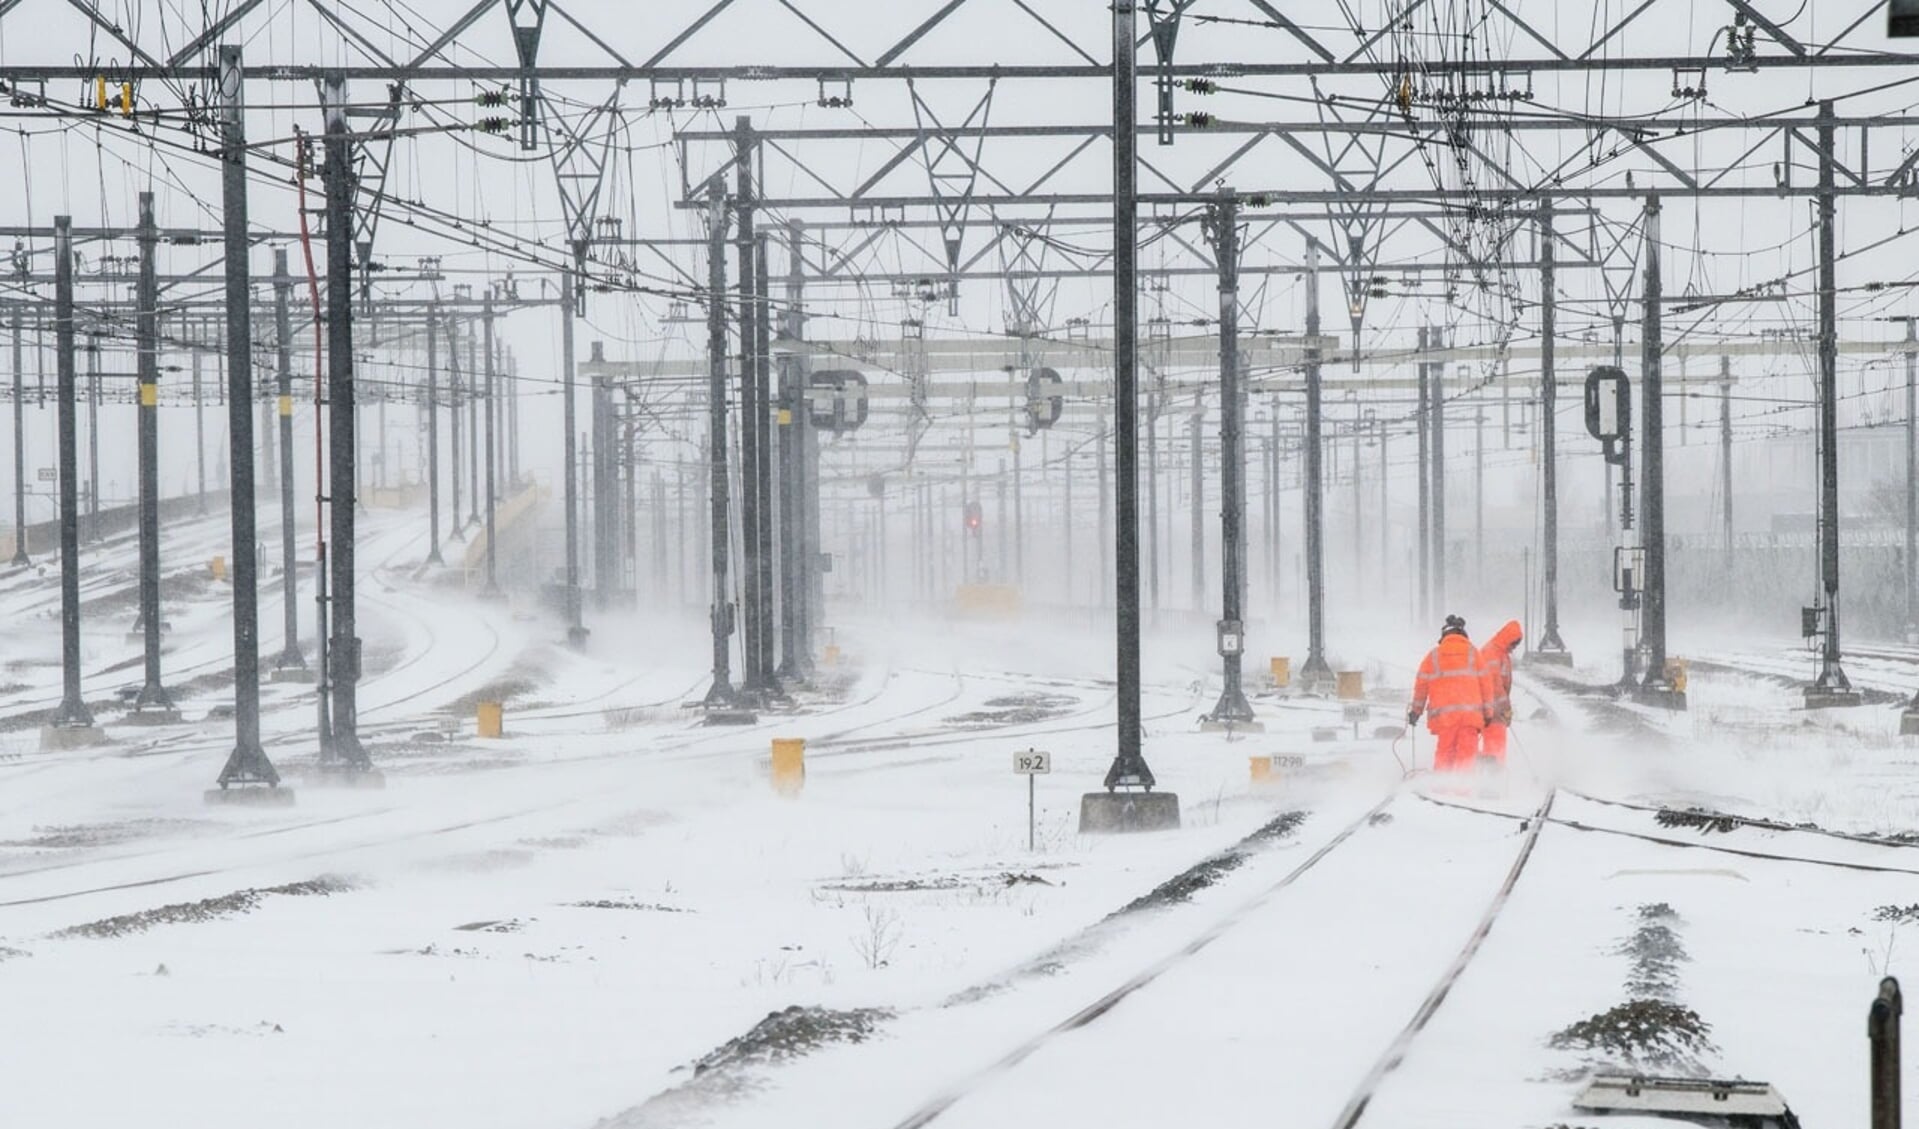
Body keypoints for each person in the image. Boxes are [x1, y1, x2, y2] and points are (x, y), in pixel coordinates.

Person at [1406, 615, 1495, 773]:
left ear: (1444, 635)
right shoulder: (1474, 654)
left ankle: (1441, 786)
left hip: (1445, 718)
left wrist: (1416, 711)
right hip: (1470, 716)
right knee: (1467, 755)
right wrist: (1488, 713)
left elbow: (1421, 686)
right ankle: (1463, 789)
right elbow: (1486, 685)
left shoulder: (1433, 656)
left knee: (1444, 753)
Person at [1478, 620, 1523, 765]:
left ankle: (1491, 774)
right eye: (1513, 644)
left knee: (1494, 745)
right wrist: (1505, 709)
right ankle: (1493, 778)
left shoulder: (1499, 652)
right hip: (1492, 710)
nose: (1513, 648)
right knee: (1495, 746)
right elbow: (1494, 685)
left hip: (1493, 710)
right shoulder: (1492, 653)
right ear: (1508, 639)